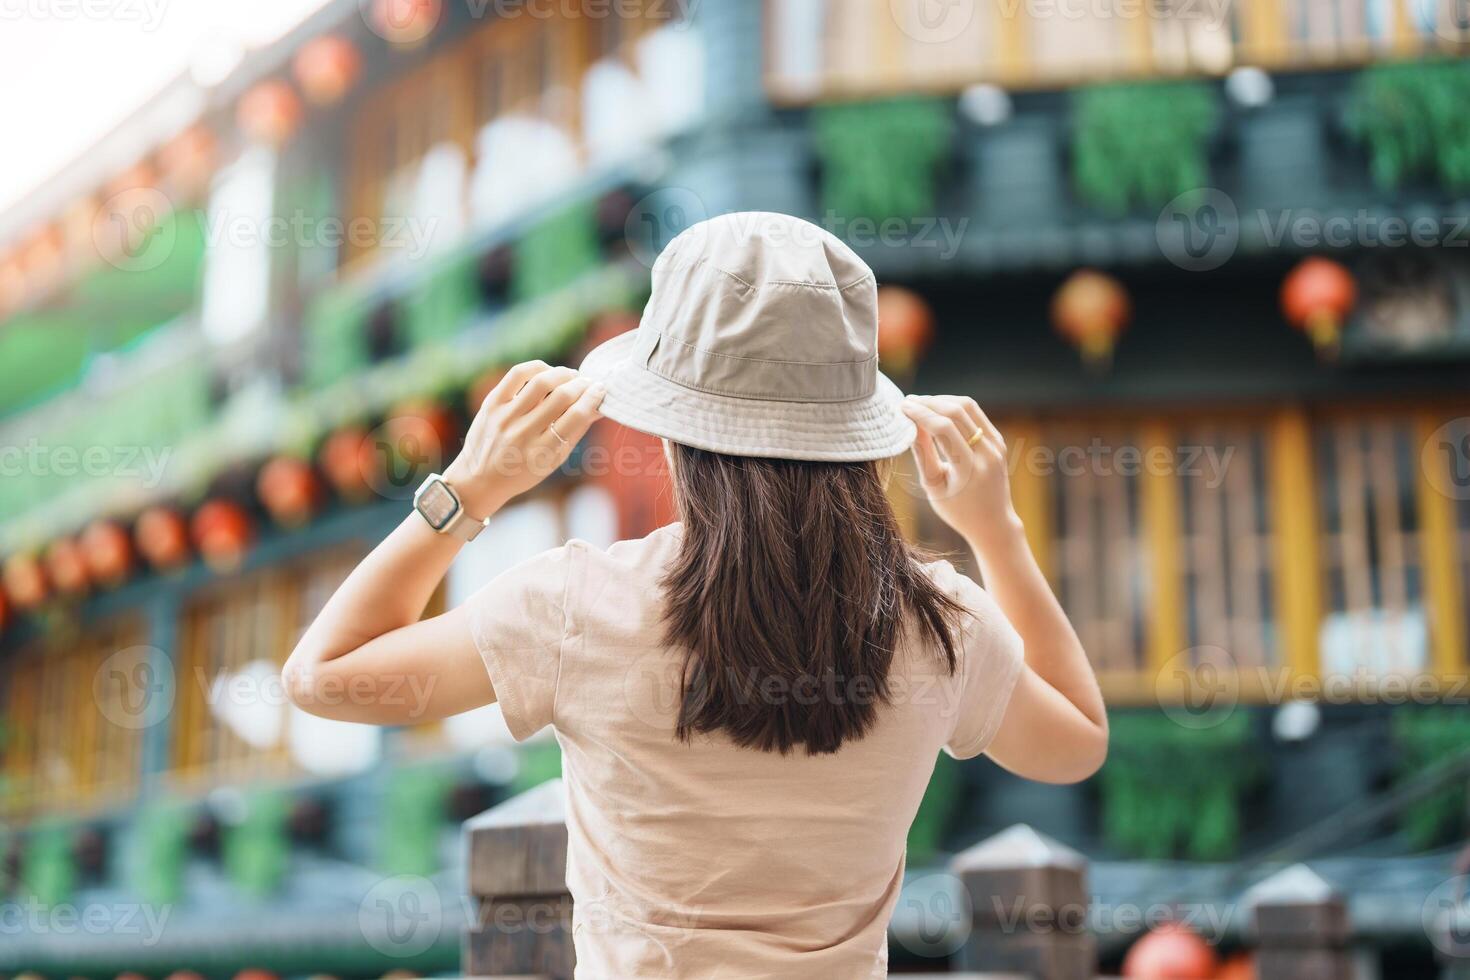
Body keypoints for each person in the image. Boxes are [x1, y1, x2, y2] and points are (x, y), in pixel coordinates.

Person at [285, 212, 1108, 979]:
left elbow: (323, 677)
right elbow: (1075, 743)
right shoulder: (937, 622)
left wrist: (467, 490)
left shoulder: (579, 606)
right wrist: (995, 530)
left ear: (676, 435)